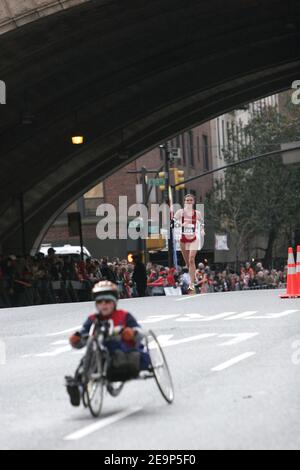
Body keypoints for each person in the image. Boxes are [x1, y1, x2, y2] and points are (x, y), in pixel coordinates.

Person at [66, 281, 150, 407]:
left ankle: (85, 382)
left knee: (117, 355)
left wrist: (131, 333)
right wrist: (76, 339)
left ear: (114, 303)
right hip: (99, 353)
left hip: (123, 351)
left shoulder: (124, 316)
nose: (103, 305)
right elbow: (84, 334)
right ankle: (79, 387)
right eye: (100, 302)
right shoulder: (93, 319)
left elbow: (140, 332)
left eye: (107, 301)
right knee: (85, 361)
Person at [174, 194, 205, 292]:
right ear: (184, 202)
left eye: (191, 200)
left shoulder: (198, 213)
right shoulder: (180, 212)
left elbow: (202, 223)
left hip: (194, 238)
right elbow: (172, 223)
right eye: (187, 200)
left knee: (191, 259)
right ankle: (194, 276)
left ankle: (191, 284)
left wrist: (202, 230)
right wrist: (180, 224)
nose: (189, 202)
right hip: (183, 238)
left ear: (193, 202)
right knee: (188, 263)